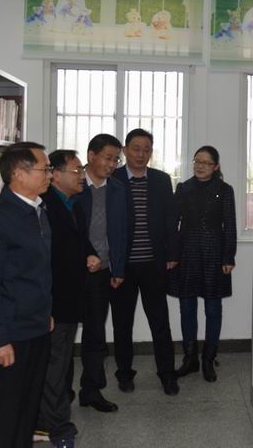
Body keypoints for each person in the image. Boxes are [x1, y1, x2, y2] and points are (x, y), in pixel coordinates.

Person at [0, 142, 54, 447]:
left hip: (37, 327)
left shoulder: (37, 211)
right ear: (19, 173)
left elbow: (37, 272)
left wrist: (45, 313)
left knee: (28, 409)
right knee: (6, 414)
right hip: (10, 335)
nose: (50, 174)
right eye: (45, 169)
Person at [35, 150, 101, 448]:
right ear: (56, 174)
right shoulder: (45, 206)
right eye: (76, 171)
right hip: (56, 300)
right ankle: (57, 425)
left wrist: (90, 254)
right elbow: (47, 257)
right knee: (55, 365)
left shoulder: (73, 203)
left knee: (61, 363)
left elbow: (79, 240)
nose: (82, 176)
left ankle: (50, 417)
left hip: (72, 297)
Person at [110, 128, 180, 396]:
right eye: (136, 149)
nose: (141, 154)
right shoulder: (114, 178)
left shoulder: (161, 180)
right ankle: (124, 373)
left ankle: (167, 374)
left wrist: (172, 254)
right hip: (122, 266)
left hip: (154, 264)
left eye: (146, 150)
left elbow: (171, 219)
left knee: (160, 323)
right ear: (125, 150)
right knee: (122, 324)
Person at [170, 146, 237, 382]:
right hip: (187, 253)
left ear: (216, 166)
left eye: (206, 163)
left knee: (213, 309)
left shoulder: (225, 190)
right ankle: (190, 359)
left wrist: (228, 257)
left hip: (214, 254)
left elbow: (230, 225)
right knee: (186, 307)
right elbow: (174, 224)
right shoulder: (183, 188)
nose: (200, 166)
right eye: (197, 161)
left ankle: (209, 358)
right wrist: (172, 254)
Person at [75, 134, 127, 412]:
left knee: (96, 333)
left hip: (103, 271)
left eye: (116, 159)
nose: (112, 164)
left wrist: (118, 267)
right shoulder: (74, 184)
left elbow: (121, 232)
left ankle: (91, 390)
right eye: (107, 158)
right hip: (72, 272)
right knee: (63, 334)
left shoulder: (117, 188)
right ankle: (60, 393)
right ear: (91, 155)